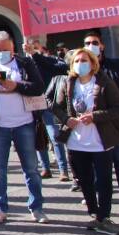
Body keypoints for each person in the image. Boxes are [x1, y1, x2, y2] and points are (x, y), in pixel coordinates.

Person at [0, 31, 48, 224]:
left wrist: (16, 86)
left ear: (13, 48)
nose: (2, 53)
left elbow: (38, 87)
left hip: (24, 123)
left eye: (6, 50)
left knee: (31, 169)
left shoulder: (24, 63)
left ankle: (36, 208)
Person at [48, 48, 119, 235]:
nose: (80, 64)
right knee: (85, 181)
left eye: (84, 61)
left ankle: (104, 217)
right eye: (77, 61)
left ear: (93, 63)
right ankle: (94, 213)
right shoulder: (69, 83)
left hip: (100, 141)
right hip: (76, 142)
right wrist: (67, 119)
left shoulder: (103, 82)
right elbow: (56, 106)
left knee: (104, 181)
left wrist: (95, 116)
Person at [80, 32, 119, 207]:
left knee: (118, 158)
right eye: (87, 43)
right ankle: (97, 193)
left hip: (112, 120)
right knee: (93, 161)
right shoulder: (81, 66)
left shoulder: (114, 65)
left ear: (102, 46)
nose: (91, 45)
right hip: (89, 122)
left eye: (94, 42)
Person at [23, 37, 70, 181]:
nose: (32, 49)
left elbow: (62, 68)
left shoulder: (49, 60)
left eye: (35, 47)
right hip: (33, 104)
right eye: (29, 47)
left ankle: (63, 170)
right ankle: (45, 168)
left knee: (54, 136)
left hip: (49, 103)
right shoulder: (23, 63)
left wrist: (36, 56)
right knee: (39, 138)